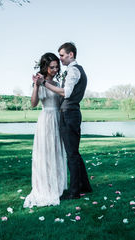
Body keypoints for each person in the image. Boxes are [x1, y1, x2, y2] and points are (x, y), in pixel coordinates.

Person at [35, 42, 92, 200]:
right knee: (74, 153)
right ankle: (84, 186)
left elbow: (66, 93)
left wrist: (44, 83)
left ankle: (74, 192)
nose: (60, 59)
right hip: (71, 113)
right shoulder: (76, 70)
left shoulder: (73, 70)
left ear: (71, 54)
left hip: (69, 114)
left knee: (71, 155)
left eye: (62, 55)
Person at [23, 53, 67, 208]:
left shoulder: (57, 82)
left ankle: (57, 186)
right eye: (52, 67)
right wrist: (36, 85)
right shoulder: (39, 82)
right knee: (45, 152)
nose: (55, 69)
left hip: (57, 118)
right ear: (46, 67)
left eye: (57, 67)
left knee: (55, 151)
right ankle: (44, 187)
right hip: (45, 119)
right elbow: (33, 104)